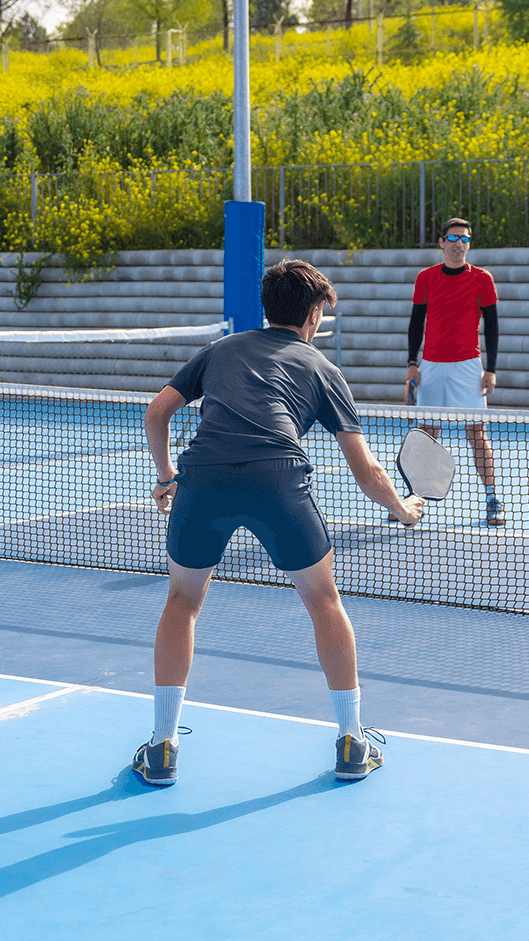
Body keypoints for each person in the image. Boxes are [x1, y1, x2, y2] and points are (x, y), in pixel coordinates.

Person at [137, 260, 424, 786]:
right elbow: (366, 470)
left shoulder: (220, 350)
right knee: (323, 600)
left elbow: (157, 414)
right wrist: (401, 509)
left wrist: (167, 477)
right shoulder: (322, 369)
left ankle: (161, 747)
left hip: (203, 480)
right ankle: (353, 742)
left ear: (267, 308)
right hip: (279, 482)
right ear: (314, 314)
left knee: (182, 602)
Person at [405, 218, 504, 526]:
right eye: (453, 237)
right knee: (427, 436)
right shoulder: (425, 278)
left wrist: (491, 368)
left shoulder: (483, 279)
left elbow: (492, 326)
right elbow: (415, 323)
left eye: (465, 238)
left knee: (477, 435)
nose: (459, 243)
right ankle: (414, 501)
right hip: (431, 367)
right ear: (441, 242)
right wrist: (412, 363)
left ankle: (492, 499)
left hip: (468, 367)